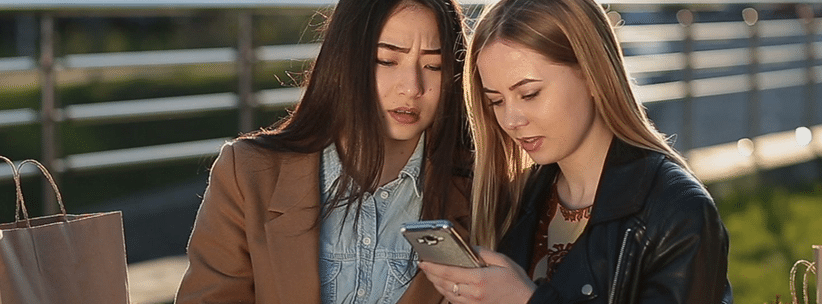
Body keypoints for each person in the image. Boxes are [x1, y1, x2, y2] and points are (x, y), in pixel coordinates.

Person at [418, 0, 733, 303]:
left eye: (529, 94)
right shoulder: (516, 199)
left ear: (592, 74)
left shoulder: (678, 211)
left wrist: (525, 300)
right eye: (496, 101)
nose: (511, 120)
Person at [174, 0, 472, 302]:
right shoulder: (248, 174)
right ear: (343, 59)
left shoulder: (481, 189)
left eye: (434, 66)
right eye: (386, 60)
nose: (412, 87)